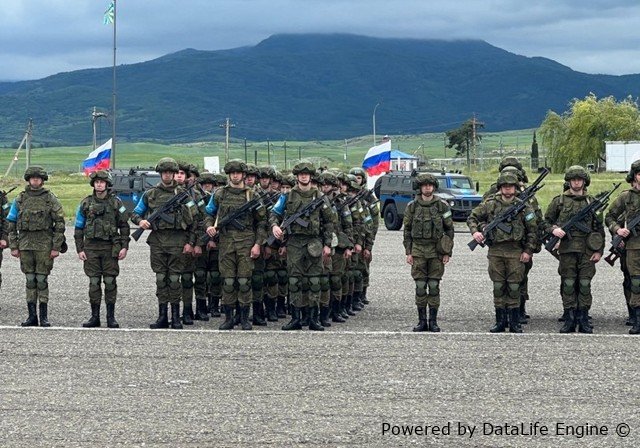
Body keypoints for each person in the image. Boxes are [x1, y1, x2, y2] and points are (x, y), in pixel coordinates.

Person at [130, 157, 197, 330]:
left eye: (170, 172)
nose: (167, 175)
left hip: (178, 242)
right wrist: (141, 222)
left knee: (175, 279)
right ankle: (162, 316)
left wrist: (191, 242)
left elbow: (195, 220)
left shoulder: (183, 194)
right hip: (158, 242)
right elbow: (135, 213)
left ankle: (175, 317)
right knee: (161, 279)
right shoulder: (150, 194)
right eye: (164, 172)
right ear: (160, 174)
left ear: (174, 174)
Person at [467, 172, 537, 333]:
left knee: (514, 287)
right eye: (504, 187)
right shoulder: (490, 204)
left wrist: (528, 251)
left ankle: (514, 322)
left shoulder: (524, 206)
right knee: (498, 286)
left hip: (515, 251)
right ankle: (500, 321)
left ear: (515, 188)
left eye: (510, 186)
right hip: (496, 251)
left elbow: (533, 230)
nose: (507, 189)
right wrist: (475, 232)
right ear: (500, 188)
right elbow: (472, 217)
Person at [270, 162, 335, 331]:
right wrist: (275, 226)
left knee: (314, 280)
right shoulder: (288, 196)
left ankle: (313, 318)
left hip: (314, 241)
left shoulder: (320, 196)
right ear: (297, 176)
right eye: (301, 174)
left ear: (311, 176)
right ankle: (296, 318)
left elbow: (329, 221)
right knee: (294, 280)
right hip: (294, 242)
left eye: (307, 174)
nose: (304, 176)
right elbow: (274, 213)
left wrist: (327, 244)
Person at [205, 160, 267, 330]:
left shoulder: (252, 195)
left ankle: (245, 318)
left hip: (246, 242)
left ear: (243, 175)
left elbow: (262, 222)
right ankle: (229, 318)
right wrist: (209, 226)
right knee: (228, 282)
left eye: (238, 172)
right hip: (226, 242)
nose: (235, 175)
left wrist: (257, 244)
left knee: (245, 281)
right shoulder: (220, 194)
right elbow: (209, 213)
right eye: (232, 173)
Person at [543, 165, 605, 334]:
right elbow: (545, 222)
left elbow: (599, 229)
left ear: (585, 182)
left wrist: (599, 251)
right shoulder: (559, 201)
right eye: (573, 180)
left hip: (587, 250)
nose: (576, 182)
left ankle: (583, 318)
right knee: (569, 284)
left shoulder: (592, 203)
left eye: (579, 180)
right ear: (569, 182)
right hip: (567, 250)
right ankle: (569, 319)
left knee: (584, 284)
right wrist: (554, 230)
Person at [7, 166, 66, 327]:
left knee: (42, 280)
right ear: (28, 180)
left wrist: (56, 247)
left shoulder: (49, 198)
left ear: (42, 180)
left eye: (38, 178)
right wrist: (13, 246)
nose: (35, 180)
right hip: (25, 245)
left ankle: (43, 316)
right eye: (32, 178)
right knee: (30, 279)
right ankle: (31, 316)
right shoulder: (20, 199)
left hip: (44, 245)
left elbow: (60, 223)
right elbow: (11, 223)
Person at [74, 170, 130, 328]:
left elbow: (124, 226)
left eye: (102, 182)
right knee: (94, 282)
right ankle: (94, 316)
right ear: (93, 184)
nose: (99, 184)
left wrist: (124, 247)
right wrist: (80, 249)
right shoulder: (85, 203)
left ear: (107, 184)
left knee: (110, 282)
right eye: (97, 182)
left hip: (110, 247)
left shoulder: (116, 202)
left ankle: (111, 317)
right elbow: (79, 228)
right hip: (91, 247)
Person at [403, 173, 454, 332]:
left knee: (433, 285)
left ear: (434, 187)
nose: (427, 187)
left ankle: (433, 321)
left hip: (436, 250)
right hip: (418, 249)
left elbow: (449, 229)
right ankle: (421, 321)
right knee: (419, 286)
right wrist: (408, 252)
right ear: (420, 187)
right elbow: (407, 230)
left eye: (430, 185)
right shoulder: (412, 206)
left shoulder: (442, 206)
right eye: (424, 185)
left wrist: (447, 252)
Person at [605, 160, 640, 334]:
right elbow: (609, 216)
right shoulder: (626, 197)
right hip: (632, 247)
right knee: (635, 282)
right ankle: (636, 317)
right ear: (634, 177)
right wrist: (619, 229)